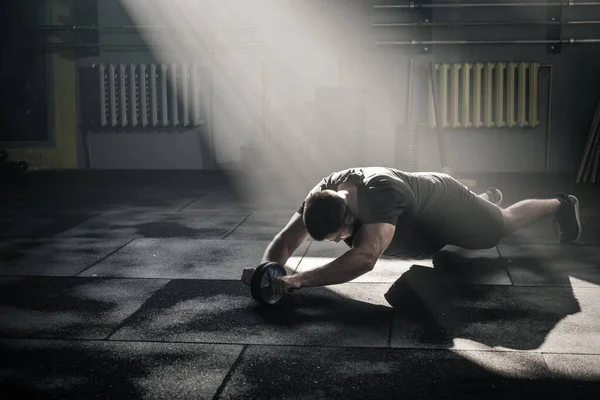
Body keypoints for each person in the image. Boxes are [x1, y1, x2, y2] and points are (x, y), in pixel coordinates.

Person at [241, 167, 581, 296]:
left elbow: (365, 259)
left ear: (346, 217)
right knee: (438, 255)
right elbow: (286, 240)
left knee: (499, 228)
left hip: (448, 207)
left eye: (336, 237)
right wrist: (267, 271)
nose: (339, 242)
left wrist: (297, 280)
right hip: (418, 225)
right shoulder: (323, 196)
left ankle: (562, 204)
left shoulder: (381, 197)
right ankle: (485, 199)